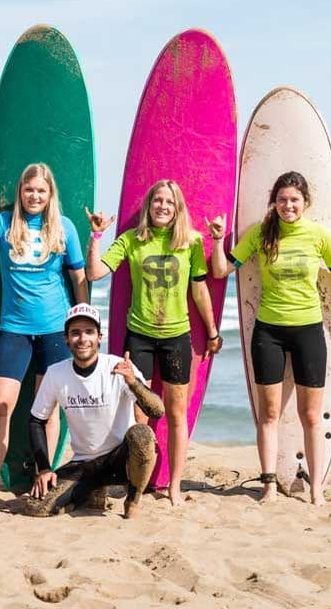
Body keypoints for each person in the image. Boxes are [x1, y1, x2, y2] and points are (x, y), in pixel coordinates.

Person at [209, 170, 331, 506]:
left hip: (308, 330)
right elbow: (221, 270)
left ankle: (317, 488)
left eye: (294, 200)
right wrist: (217, 240)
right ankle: (269, 484)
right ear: (273, 202)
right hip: (268, 332)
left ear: (305, 203)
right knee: (269, 414)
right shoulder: (261, 234)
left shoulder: (319, 236)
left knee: (310, 415)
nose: (288, 205)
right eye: (282, 199)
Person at [84, 179, 222, 506]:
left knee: (176, 414)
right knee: (140, 418)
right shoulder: (131, 240)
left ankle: (173, 485)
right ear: (149, 206)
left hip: (177, 336)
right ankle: (138, 484)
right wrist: (96, 236)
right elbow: (94, 273)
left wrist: (212, 331)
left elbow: (199, 290)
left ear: (178, 210)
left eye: (169, 202)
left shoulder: (190, 243)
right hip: (140, 336)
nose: (162, 206)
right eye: (157, 200)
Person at [0, 163, 89, 502]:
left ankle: (43, 479)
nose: (34, 196)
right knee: (1, 406)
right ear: (21, 192)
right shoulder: (2, 223)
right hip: (14, 329)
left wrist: (83, 319)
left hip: (55, 329)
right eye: (29, 189)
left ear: (50, 195)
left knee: (46, 409)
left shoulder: (63, 228)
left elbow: (78, 277)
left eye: (41, 191)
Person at [22, 303, 164, 519]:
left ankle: (133, 499)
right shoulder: (56, 373)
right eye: (75, 333)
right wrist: (43, 469)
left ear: (100, 337)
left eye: (89, 332)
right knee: (36, 506)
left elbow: (157, 411)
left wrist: (133, 382)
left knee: (142, 435)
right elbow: (36, 421)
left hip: (121, 460)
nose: (82, 339)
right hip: (85, 463)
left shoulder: (118, 366)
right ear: (66, 339)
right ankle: (91, 493)